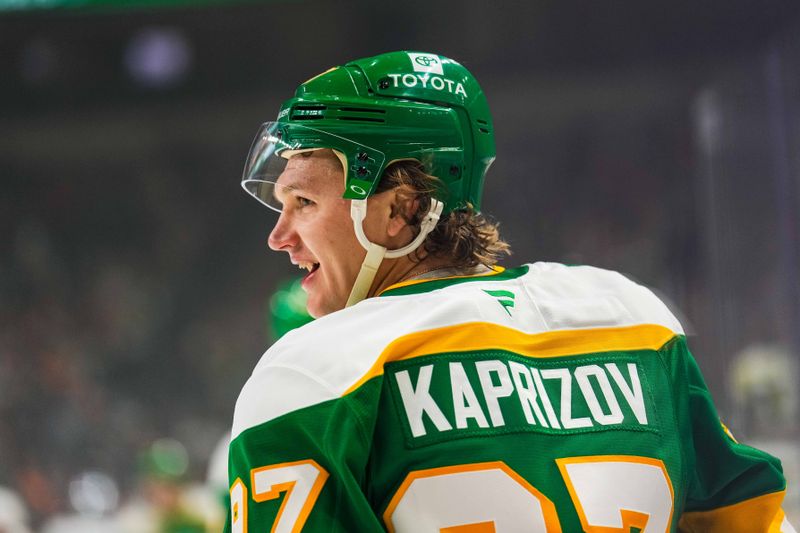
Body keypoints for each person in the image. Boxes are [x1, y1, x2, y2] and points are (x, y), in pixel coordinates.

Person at [227, 51, 795, 532]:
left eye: (303, 202)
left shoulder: (311, 375)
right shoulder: (631, 317)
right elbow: (749, 516)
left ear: (401, 208)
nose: (279, 237)